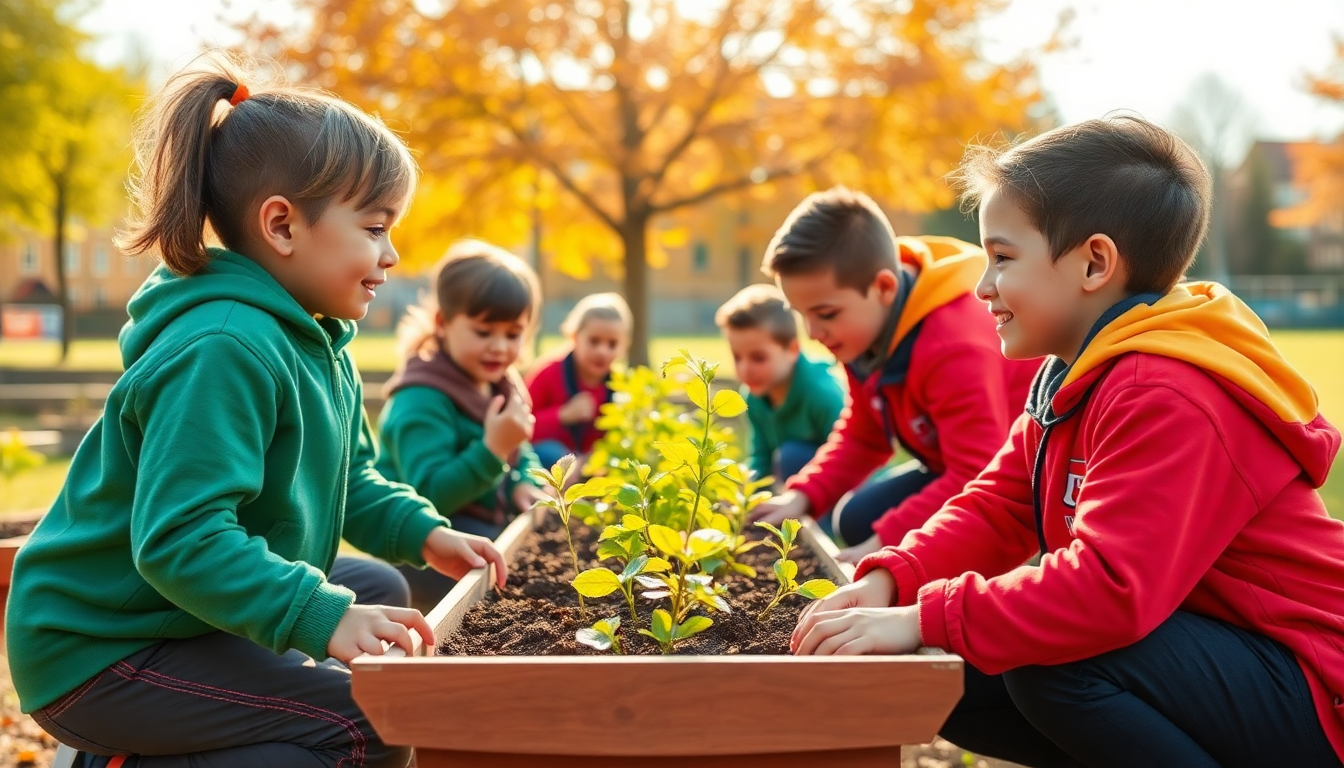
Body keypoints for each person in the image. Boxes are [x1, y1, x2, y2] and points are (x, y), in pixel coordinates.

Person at [792, 115, 1344, 768]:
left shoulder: (1163, 390)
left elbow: (1110, 589)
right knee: (952, 678)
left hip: (1310, 683)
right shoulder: (1074, 371)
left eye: (1002, 257)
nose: (982, 286)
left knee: (1055, 663)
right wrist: (893, 580)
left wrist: (924, 615)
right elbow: (1000, 503)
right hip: (1217, 657)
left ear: (1094, 263)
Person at [5, 55, 506, 768]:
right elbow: (181, 539)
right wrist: (318, 616)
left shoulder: (314, 337)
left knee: (380, 589)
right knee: (378, 724)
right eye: (374, 227)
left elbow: (348, 477)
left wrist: (424, 532)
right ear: (282, 226)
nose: (391, 254)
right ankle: (119, 757)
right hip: (105, 650)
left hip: (174, 613)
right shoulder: (224, 348)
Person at [748, 187, 1038, 562]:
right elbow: (864, 434)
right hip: (954, 466)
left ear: (884, 287)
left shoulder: (952, 347)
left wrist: (885, 545)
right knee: (855, 519)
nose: (813, 332)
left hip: (1015, 485)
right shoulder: (863, 335)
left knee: (872, 532)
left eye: (826, 314)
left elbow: (975, 472)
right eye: (802, 314)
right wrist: (802, 494)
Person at [376, 239, 546, 610]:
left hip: (478, 527)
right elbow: (429, 491)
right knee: (518, 586)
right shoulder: (421, 398)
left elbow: (522, 451)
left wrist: (523, 482)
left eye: (513, 334)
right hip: (423, 549)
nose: (500, 347)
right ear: (443, 323)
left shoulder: (499, 383)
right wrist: (492, 450)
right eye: (484, 332)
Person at [714, 283, 844, 490]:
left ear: (792, 350)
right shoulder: (754, 397)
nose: (745, 369)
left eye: (758, 358)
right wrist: (745, 498)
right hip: (805, 485)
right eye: (737, 357)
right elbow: (761, 458)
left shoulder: (821, 394)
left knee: (791, 455)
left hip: (844, 484)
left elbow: (850, 457)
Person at [526, 292, 631, 470]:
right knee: (553, 453)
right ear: (574, 337)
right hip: (548, 462)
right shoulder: (548, 373)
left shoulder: (620, 385)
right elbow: (521, 429)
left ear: (624, 345)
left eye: (612, 344)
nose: (602, 352)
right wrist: (562, 415)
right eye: (594, 341)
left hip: (594, 465)